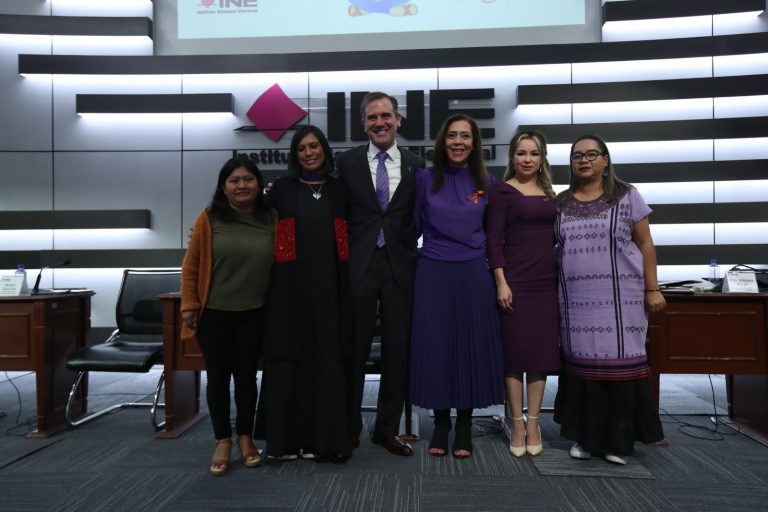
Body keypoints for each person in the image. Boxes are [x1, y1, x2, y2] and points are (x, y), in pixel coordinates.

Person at [553, 134, 667, 465]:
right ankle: (585, 440)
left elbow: (645, 243)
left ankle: (618, 442)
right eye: (577, 156)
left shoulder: (627, 196)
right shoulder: (560, 203)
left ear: (605, 160)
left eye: (591, 154)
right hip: (576, 304)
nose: (584, 160)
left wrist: (652, 288)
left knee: (619, 370)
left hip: (622, 302)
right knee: (583, 371)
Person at [409, 113, 504, 458]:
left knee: (469, 347)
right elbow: (411, 227)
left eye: (466, 136)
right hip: (433, 272)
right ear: (442, 141)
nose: (459, 142)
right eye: (452, 136)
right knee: (437, 347)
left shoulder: (488, 182)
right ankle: (441, 423)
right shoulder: (424, 178)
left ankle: (464, 424)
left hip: (473, 273)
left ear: (474, 143)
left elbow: (496, 236)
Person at [338, 91, 425, 456]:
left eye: (385, 116)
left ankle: (386, 429)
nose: (379, 123)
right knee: (351, 352)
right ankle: (348, 428)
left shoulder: (416, 164)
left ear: (398, 120)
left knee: (398, 352)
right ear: (363, 124)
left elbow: (421, 214)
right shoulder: (346, 162)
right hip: (357, 267)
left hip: (400, 268)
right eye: (372, 117)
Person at [258, 125, 352, 462]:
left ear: (325, 150)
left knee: (326, 361)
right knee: (288, 360)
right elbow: (254, 226)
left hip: (331, 292)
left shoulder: (341, 189)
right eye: (301, 148)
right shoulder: (280, 189)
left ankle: (325, 442)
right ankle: (284, 442)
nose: (309, 152)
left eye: (314, 146)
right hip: (288, 292)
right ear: (294, 155)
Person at [180, 157, 274, 476]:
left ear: (259, 184)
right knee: (218, 379)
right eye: (234, 180)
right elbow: (191, 266)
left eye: (248, 179)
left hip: (255, 313)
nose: (242, 185)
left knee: (247, 379)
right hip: (215, 314)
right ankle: (222, 440)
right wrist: (190, 304)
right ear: (224, 187)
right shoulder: (209, 218)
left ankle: (245, 439)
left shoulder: (270, 217)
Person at [486, 130, 560, 458]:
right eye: (521, 153)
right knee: (515, 357)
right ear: (512, 157)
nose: (527, 159)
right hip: (515, 282)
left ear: (542, 158)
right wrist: (501, 282)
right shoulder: (502, 192)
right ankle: (515, 422)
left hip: (546, 283)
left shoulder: (550, 193)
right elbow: (493, 242)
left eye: (533, 153)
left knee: (540, 357)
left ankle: (534, 422)